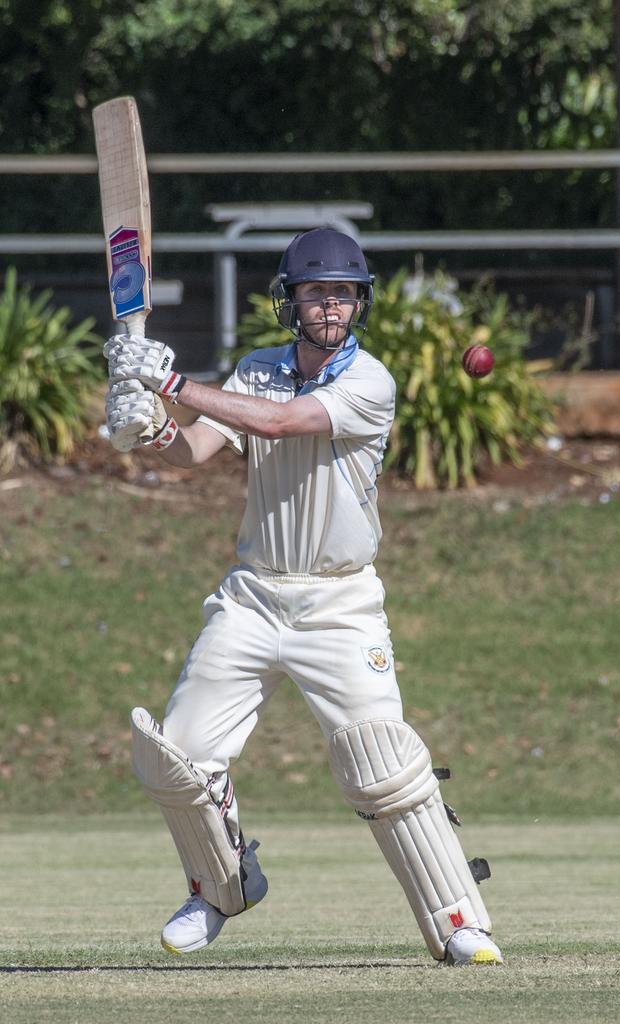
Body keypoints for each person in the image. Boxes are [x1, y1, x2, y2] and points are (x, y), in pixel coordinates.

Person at [103, 227, 503, 967]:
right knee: (180, 756)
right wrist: (149, 427)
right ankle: (220, 890)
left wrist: (169, 384)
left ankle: (456, 921)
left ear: (361, 302)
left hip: (340, 604)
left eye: (343, 293)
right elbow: (202, 445)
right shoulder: (258, 370)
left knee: (383, 763)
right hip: (254, 597)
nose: (331, 306)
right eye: (317, 292)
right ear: (291, 301)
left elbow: (285, 424)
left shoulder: (370, 383)